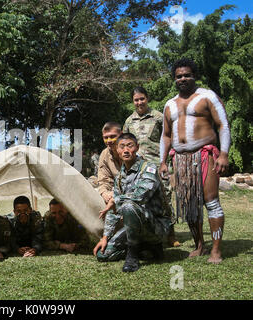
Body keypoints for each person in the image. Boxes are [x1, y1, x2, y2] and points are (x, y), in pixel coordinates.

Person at [159, 58, 230, 264]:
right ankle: (200, 245)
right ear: (174, 79)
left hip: (205, 154)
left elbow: (222, 125)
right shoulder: (169, 104)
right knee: (190, 204)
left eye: (187, 75)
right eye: (179, 76)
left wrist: (223, 154)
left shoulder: (207, 96)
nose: (183, 79)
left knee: (211, 201)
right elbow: (165, 135)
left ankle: (216, 250)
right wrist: (163, 161)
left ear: (194, 76)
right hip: (180, 159)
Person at [94, 133, 172, 272]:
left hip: (156, 226)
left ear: (137, 147)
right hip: (133, 228)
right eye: (122, 146)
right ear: (117, 150)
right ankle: (146, 248)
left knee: (129, 206)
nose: (125, 150)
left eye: (129, 146)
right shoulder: (119, 177)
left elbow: (140, 196)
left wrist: (115, 200)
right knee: (103, 255)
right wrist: (105, 237)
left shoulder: (148, 168)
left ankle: (133, 254)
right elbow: (114, 211)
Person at [123, 86, 180, 248]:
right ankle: (148, 234)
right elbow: (124, 143)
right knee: (142, 199)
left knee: (165, 198)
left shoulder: (158, 117)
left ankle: (171, 234)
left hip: (158, 164)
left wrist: (170, 160)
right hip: (138, 167)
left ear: (147, 98)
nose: (139, 102)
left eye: (142, 98)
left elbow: (170, 138)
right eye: (136, 100)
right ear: (133, 102)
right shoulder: (129, 121)